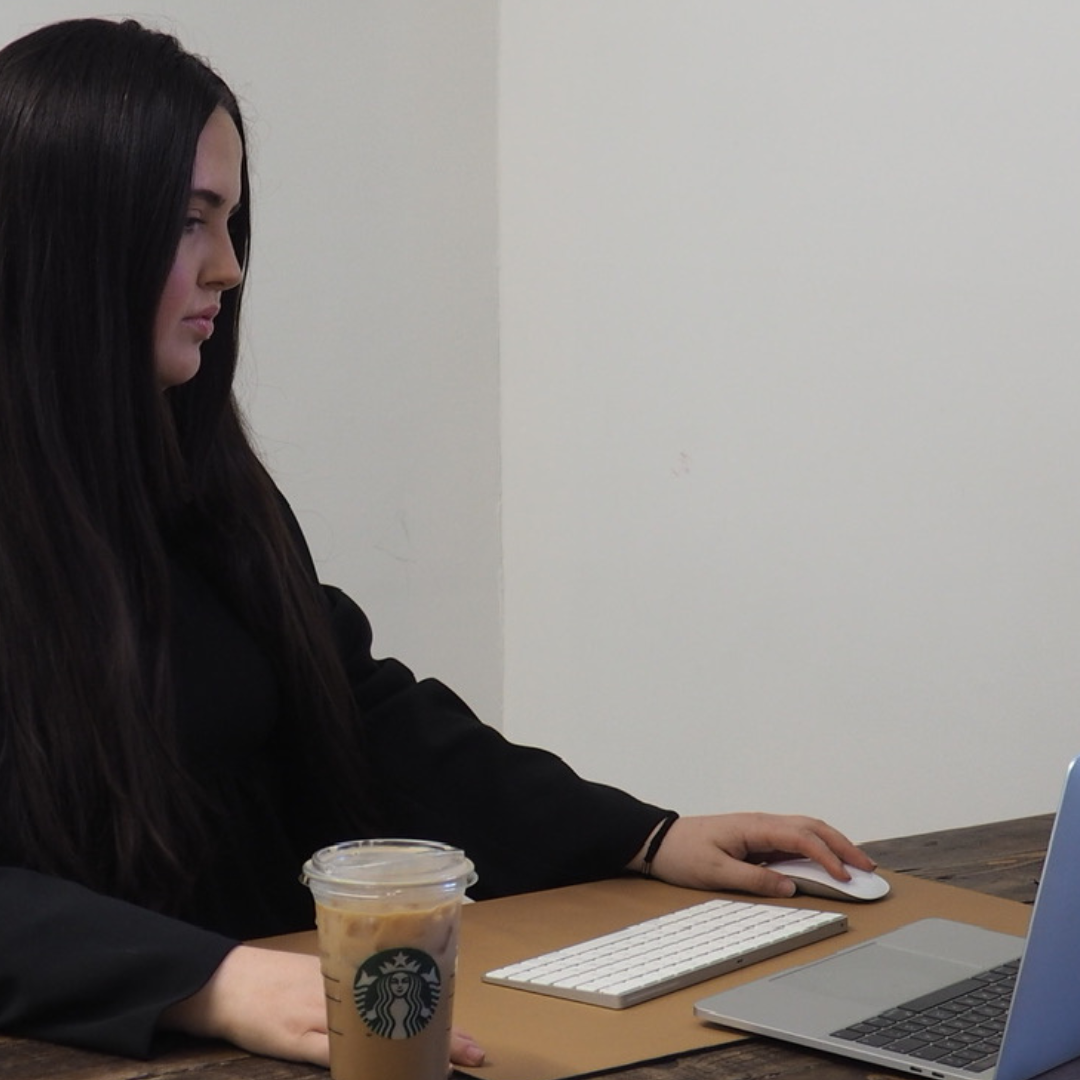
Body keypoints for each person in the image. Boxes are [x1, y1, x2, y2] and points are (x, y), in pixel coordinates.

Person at [0, 16, 875, 1072]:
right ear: (67, 233)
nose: (230, 268)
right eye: (192, 220)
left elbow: (363, 714)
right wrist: (204, 978)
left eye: (231, 222)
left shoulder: (198, 480)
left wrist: (644, 836)